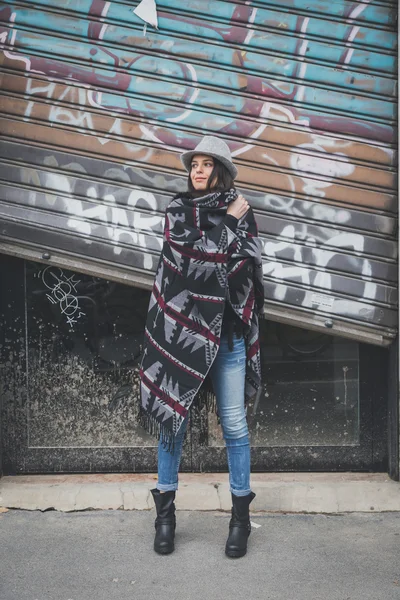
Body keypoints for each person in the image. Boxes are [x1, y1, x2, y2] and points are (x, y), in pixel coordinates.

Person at [139, 135, 264, 558]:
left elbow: (244, 268)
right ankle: (165, 517)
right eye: (194, 163)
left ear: (221, 171)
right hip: (182, 335)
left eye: (207, 164)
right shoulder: (178, 211)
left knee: (233, 425)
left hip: (226, 335)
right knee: (172, 420)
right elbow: (192, 267)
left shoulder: (243, 211)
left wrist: (219, 247)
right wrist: (224, 227)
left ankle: (240, 519)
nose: (197, 169)